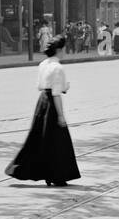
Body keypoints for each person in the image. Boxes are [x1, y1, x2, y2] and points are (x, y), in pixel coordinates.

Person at [6, 37, 81, 186]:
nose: (65, 52)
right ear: (59, 50)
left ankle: (32, 171)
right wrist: (61, 115)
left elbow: (40, 86)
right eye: (64, 49)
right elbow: (56, 93)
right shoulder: (58, 67)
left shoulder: (43, 64)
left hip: (42, 103)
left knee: (39, 138)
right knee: (58, 141)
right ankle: (57, 175)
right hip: (52, 104)